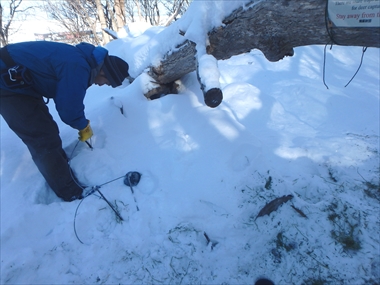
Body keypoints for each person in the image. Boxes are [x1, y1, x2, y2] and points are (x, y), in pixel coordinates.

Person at [0, 41, 129, 202]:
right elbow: (68, 110)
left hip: (20, 83)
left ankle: (60, 167)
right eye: (107, 82)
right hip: (7, 85)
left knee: (48, 130)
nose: (101, 85)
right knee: (42, 137)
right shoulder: (78, 66)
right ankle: (69, 191)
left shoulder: (82, 60)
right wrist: (82, 125)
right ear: (104, 72)